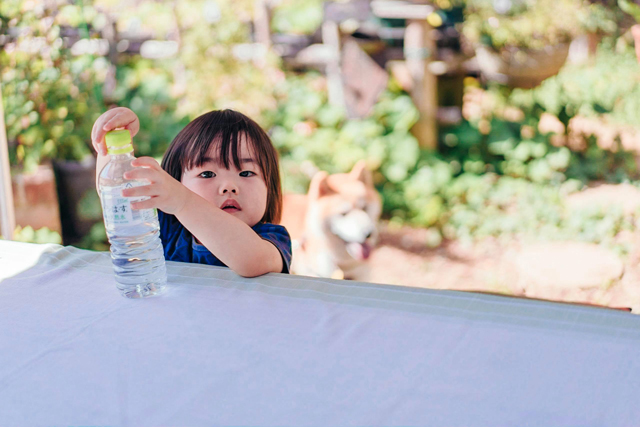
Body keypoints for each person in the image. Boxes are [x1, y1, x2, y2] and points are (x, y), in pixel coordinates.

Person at [91, 107, 292, 277]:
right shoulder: (165, 229)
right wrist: (113, 139)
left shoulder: (271, 239)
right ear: (176, 181)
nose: (229, 186)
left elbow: (251, 260)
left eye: (246, 172)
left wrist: (184, 201)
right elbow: (118, 197)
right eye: (207, 174)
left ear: (269, 186)